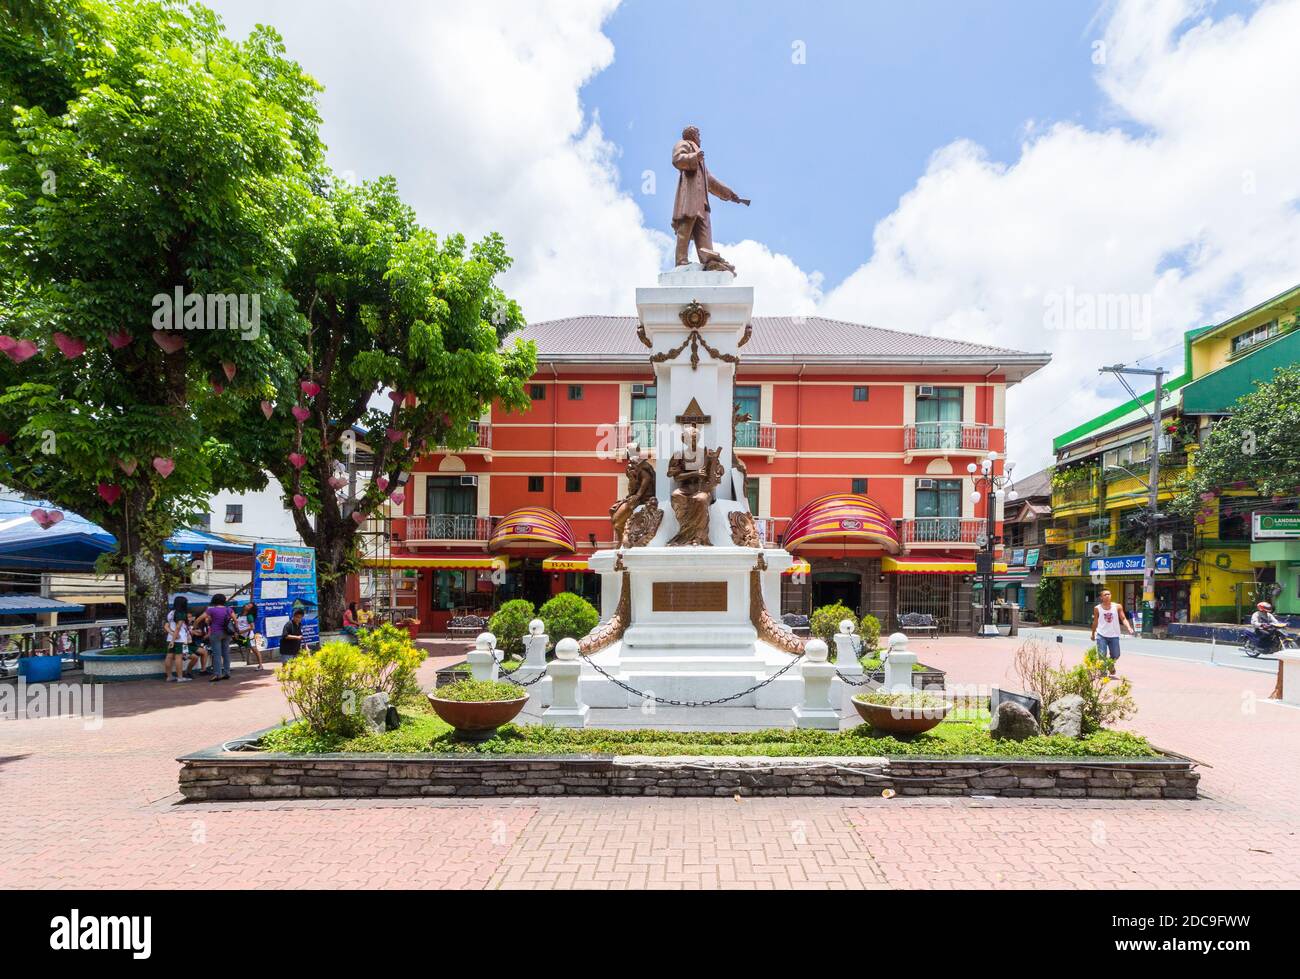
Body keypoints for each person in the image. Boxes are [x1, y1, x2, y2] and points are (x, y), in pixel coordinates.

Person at [1090, 589, 1135, 674]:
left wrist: (1129, 627)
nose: (1107, 596)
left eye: (1109, 594)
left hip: (1114, 635)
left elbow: (1123, 618)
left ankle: (1110, 665)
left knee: (1116, 655)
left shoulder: (1117, 606)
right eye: (1105, 594)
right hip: (1101, 635)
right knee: (1102, 655)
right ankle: (1103, 673)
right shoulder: (1097, 608)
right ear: (1101, 597)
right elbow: (1095, 622)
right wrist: (1093, 633)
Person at [202, 594, 235, 682]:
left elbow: (202, 618)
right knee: (226, 654)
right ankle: (227, 673)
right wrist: (236, 631)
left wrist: (194, 625)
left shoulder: (211, 610)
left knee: (217, 654)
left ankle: (217, 674)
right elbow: (235, 620)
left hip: (216, 633)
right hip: (227, 633)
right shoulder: (229, 609)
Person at [164, 596, 193, 683]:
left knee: (169, 656)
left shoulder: (171, 613)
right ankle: (180, 677)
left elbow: (166, 626)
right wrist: (174, 639)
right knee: (178, 657)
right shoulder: (181, 613)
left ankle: (169, 676)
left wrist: (172, 635)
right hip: (179, 639)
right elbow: (178, 627)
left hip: (170, 637)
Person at [237, 602, 263, 671]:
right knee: (252, 649)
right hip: (241, 636)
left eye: (249, 606)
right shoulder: (239, 615)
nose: (246, 605)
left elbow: (252, 627)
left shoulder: (249, 616)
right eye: (247, 604)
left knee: (254, 650)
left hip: (248, 636)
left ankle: (260, 665)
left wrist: (241, 632)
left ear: (250, 609)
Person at [189, 610, 212, 677]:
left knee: (205, 652)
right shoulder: (195, 624)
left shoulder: (205, 624)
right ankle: (200, 670)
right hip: (192, 644)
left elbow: (202, 635)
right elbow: (198, 635)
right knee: (204, 652)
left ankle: (203, 670)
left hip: (199, 644)